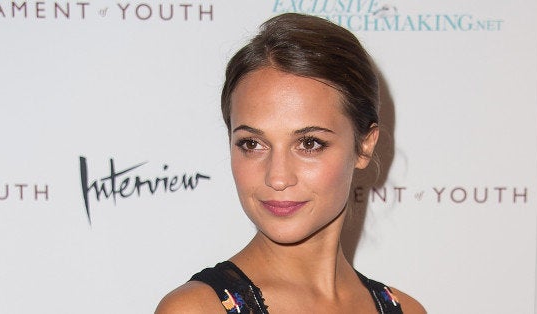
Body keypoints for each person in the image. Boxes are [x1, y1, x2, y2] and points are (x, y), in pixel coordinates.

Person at [156, 13, 426, 314]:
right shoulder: (198, 309)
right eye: (252, 144)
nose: (278, 177)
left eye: (309, 143)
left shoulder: (407, 309)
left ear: (364, 145)